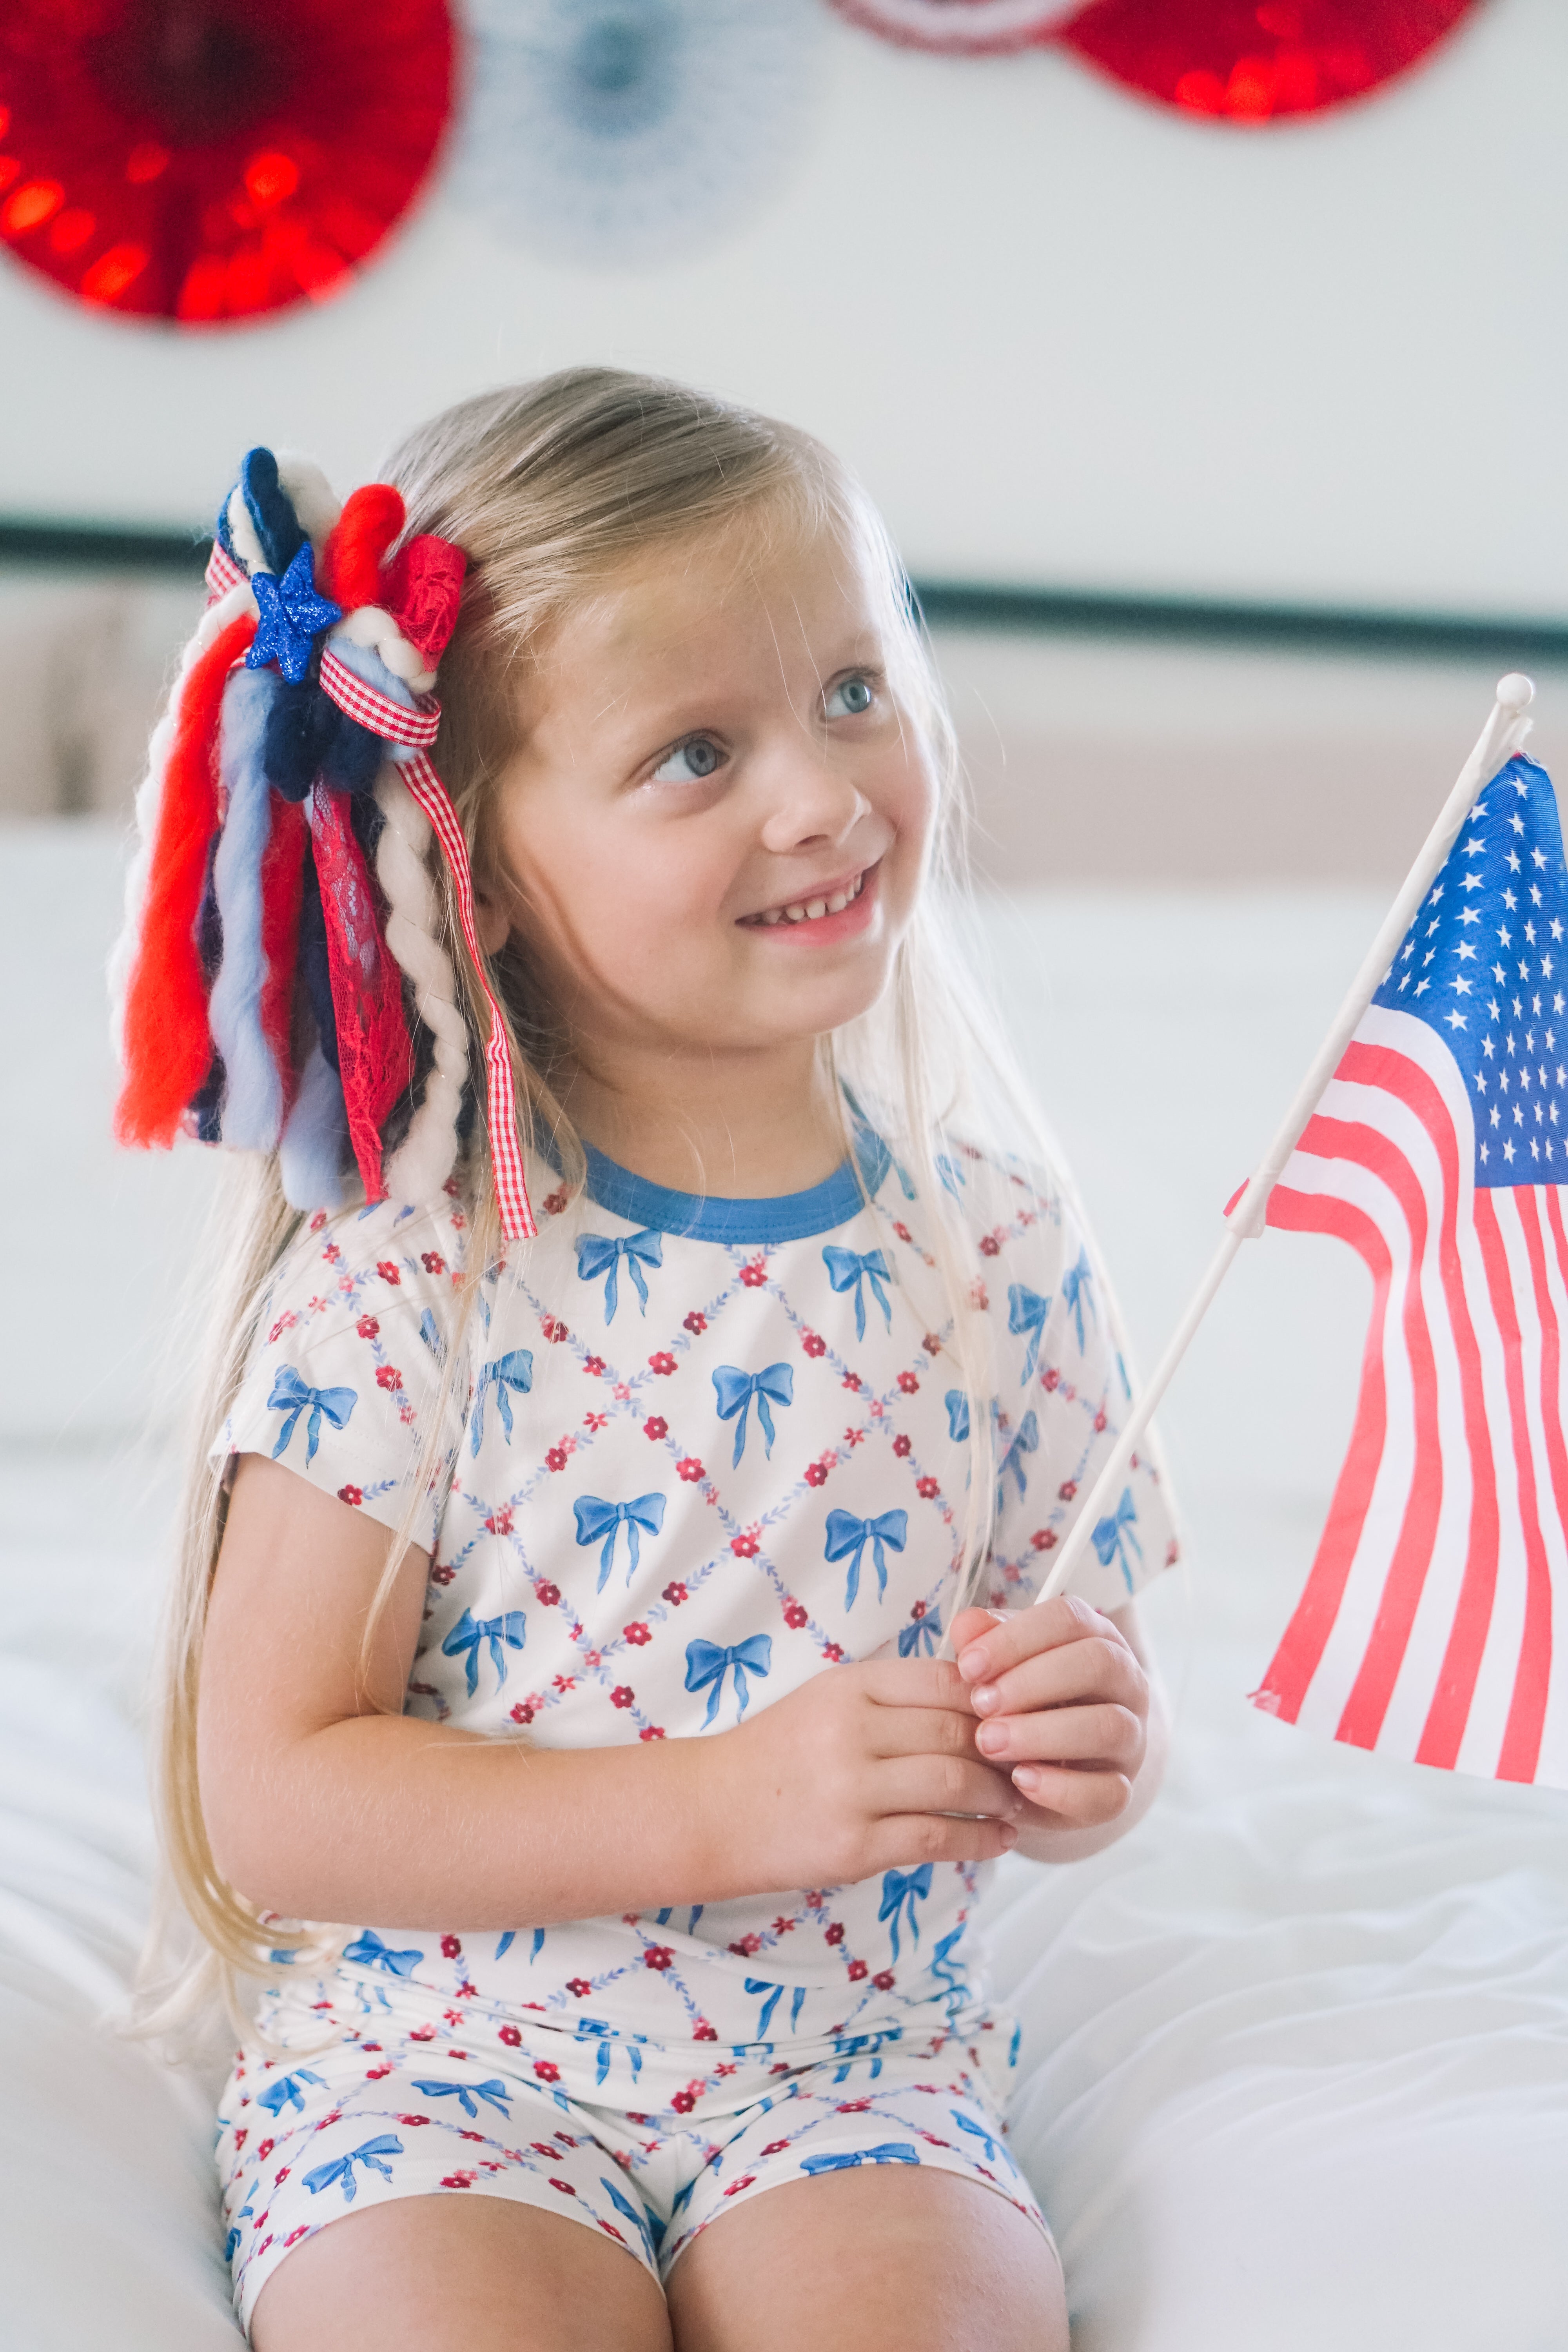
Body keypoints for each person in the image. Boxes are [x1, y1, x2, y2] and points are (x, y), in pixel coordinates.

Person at [118, 370, 1177, 2352]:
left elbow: (1071, 1670)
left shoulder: (995, 1247)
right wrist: (731, 1803)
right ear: (477, 865)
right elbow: (276, 1796)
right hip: (439, 2079)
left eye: (851, 690)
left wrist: (1084, 1742)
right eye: (697, 751)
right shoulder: (414, 1276)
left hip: (850, 2071)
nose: (821, 796)